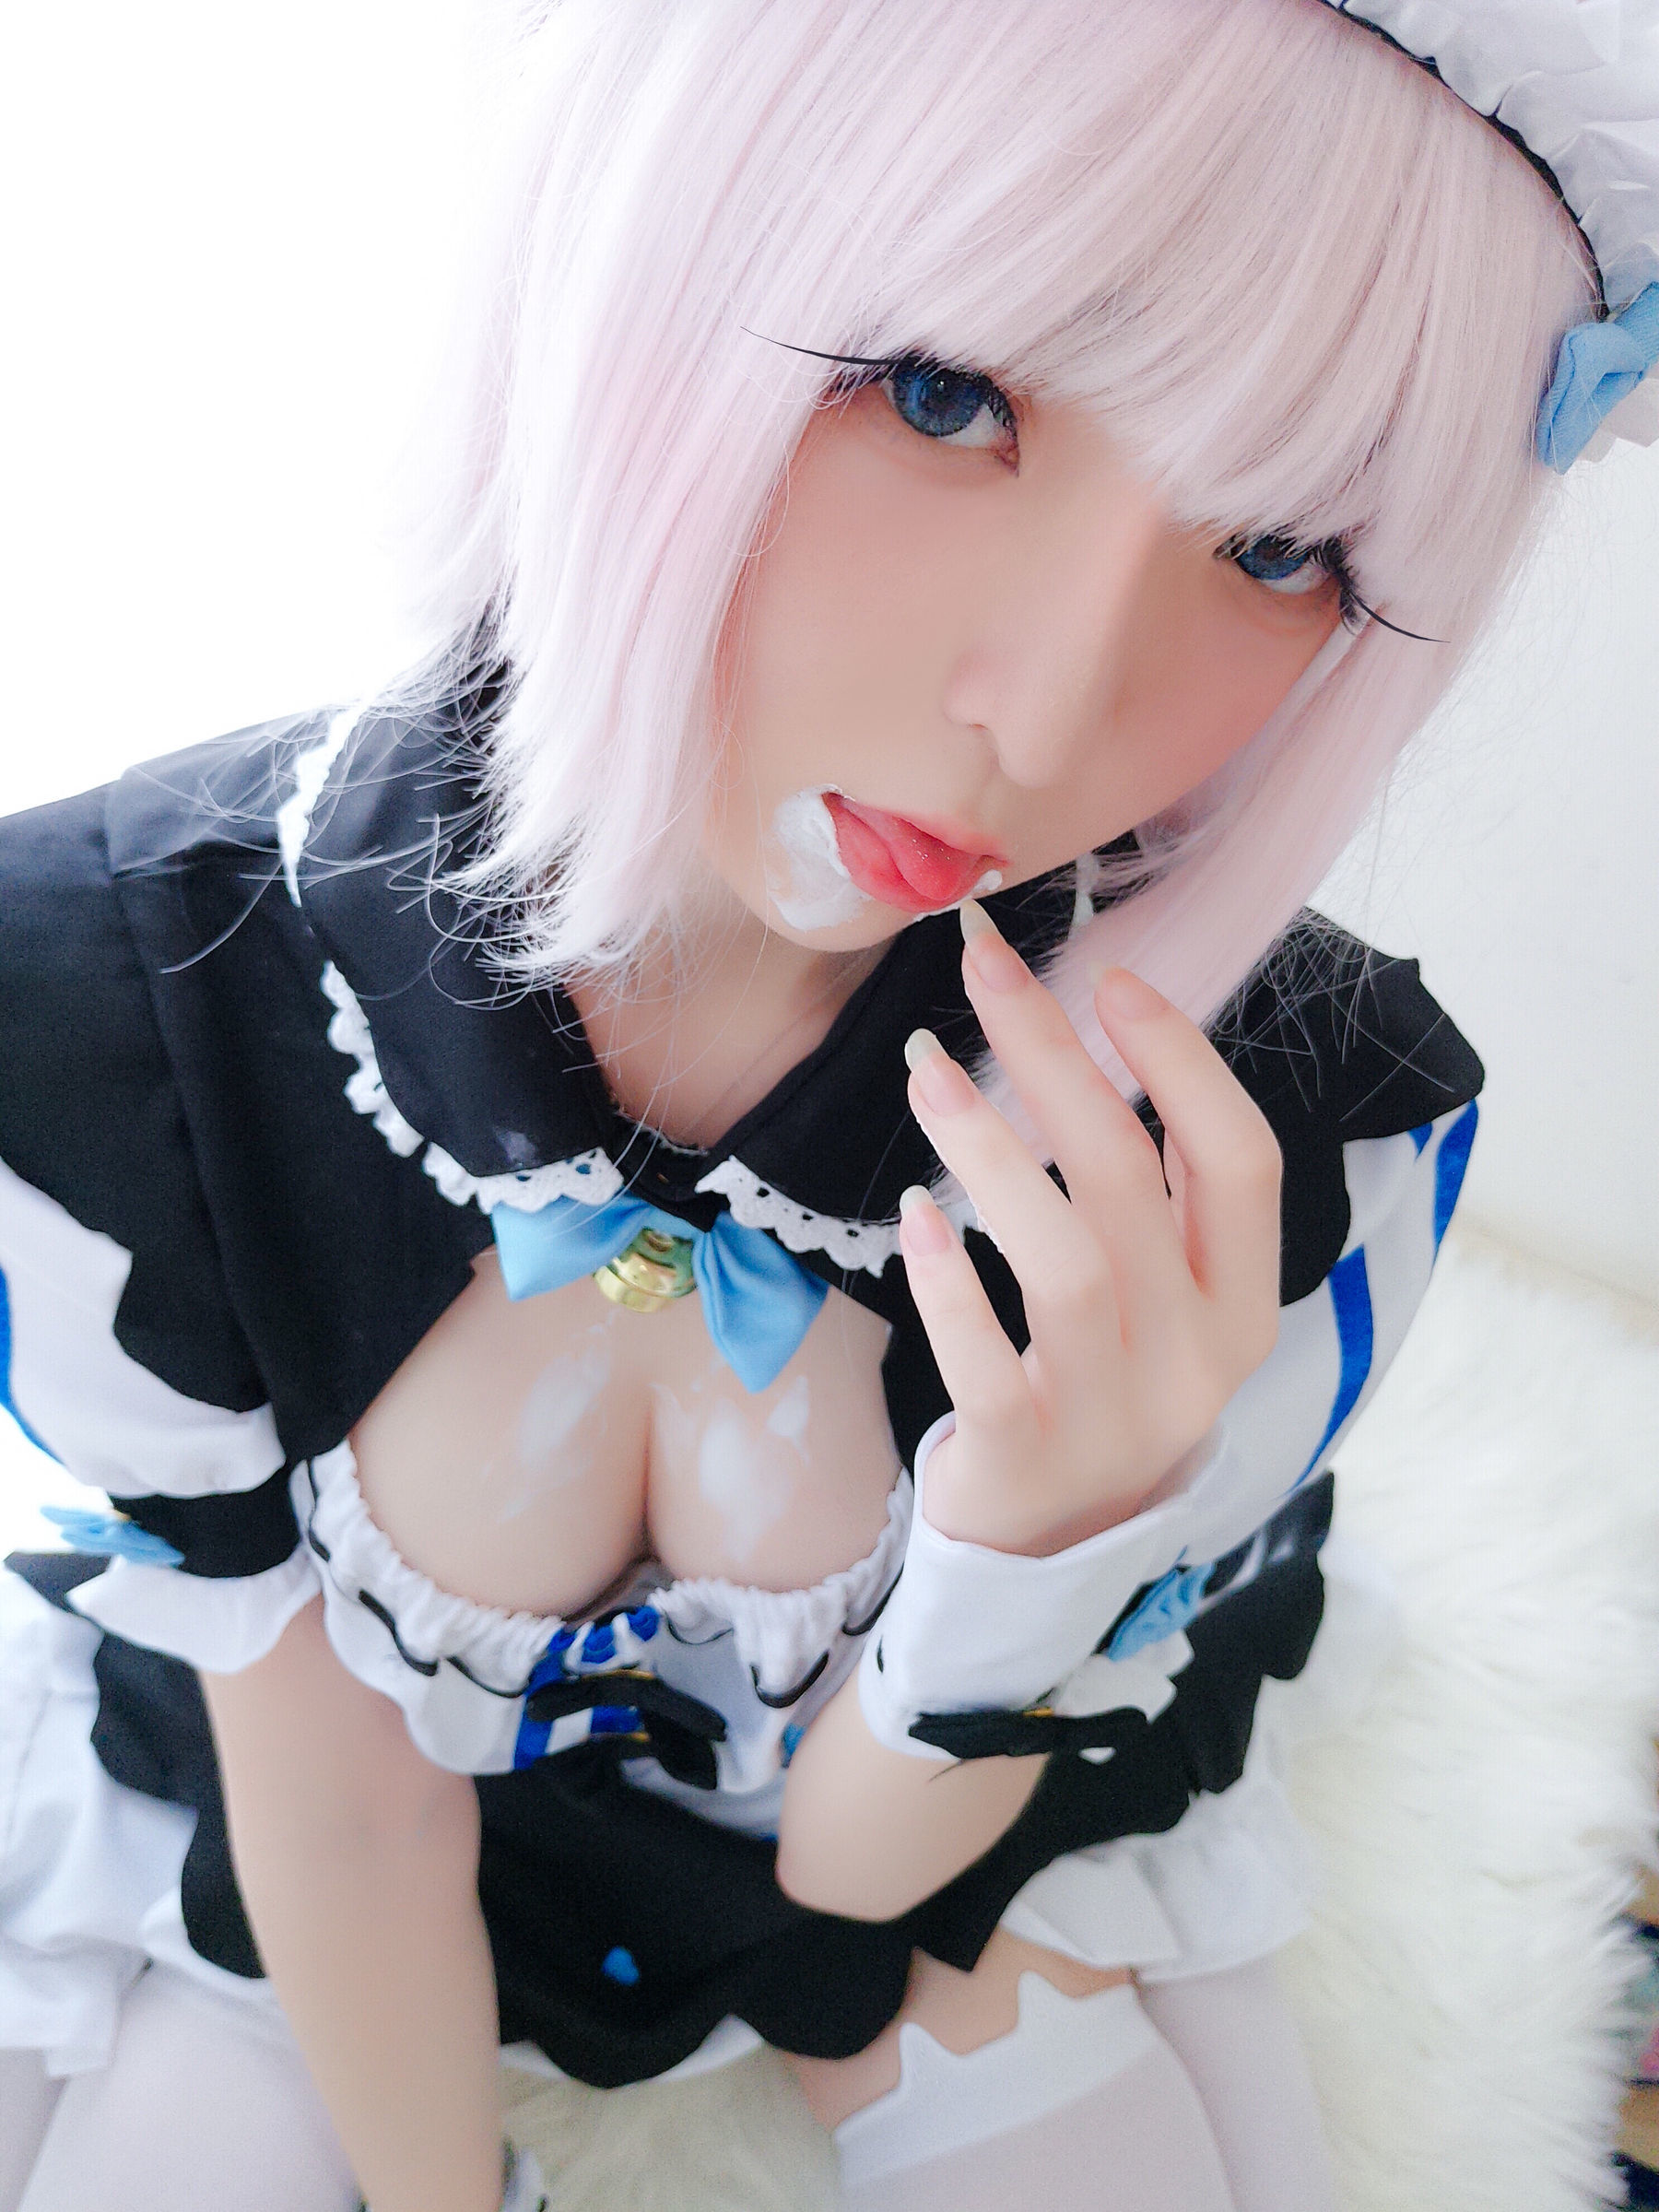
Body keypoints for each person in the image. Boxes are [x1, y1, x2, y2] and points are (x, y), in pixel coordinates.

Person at [2, 3, 1655, 2208]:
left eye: (1282, 551)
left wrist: (1041, 1540)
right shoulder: (120, 1020)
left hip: (942, 1830)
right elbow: (336, 1805)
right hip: (334, 1838)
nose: (1044, 719)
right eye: (947, 396)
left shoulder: (1287, 1150)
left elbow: (866, 1873)